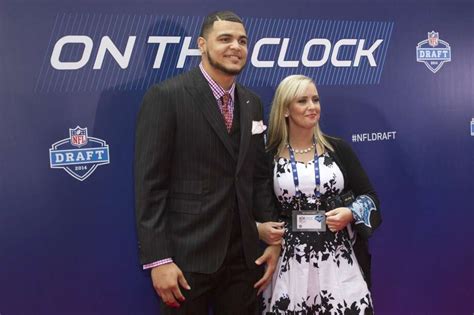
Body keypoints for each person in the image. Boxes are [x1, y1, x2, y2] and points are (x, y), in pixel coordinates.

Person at [134, 10, 281, 315]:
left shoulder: (252, 102)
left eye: (242, 41)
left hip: (244, 260)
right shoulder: (167, 97)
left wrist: (272, 242)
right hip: (187, 260)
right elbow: (150, 186)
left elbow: (258, 177)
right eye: (225, 39)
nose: (235, 47)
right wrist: (159, 260)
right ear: (202, 44)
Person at [260, 75, 382, 314]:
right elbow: (254, 207)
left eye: (315, 99)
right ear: (285, 109)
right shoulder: (268, 156)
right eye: (302, 101)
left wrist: (350, 212)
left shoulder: (338, 149)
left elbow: (370, 196)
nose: (312, 106)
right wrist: (259, 228)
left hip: (339, 258)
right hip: (290, 261)